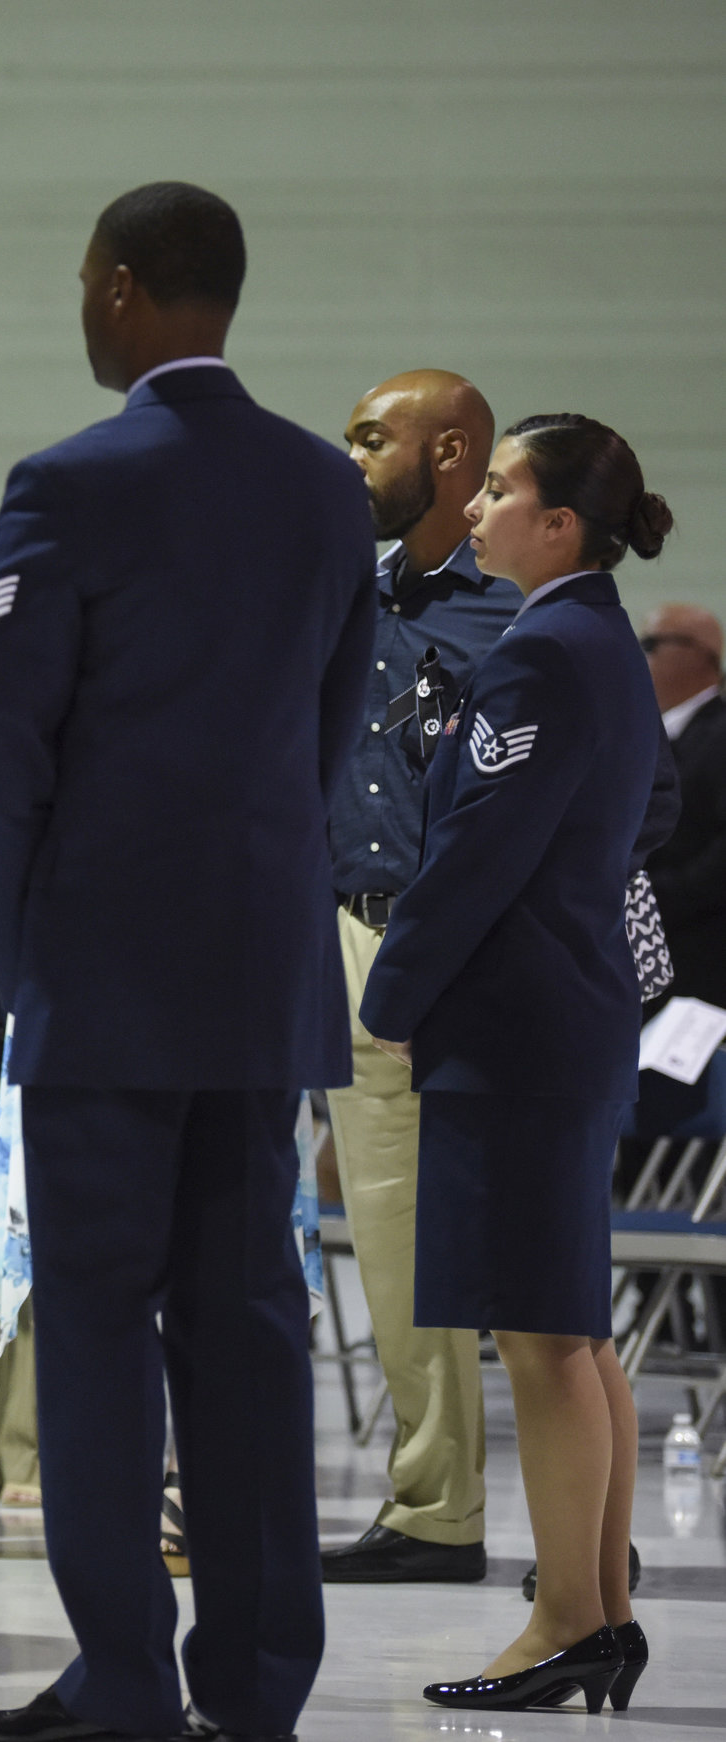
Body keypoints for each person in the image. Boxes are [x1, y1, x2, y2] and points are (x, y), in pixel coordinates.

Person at [0, 183, 374, 1742]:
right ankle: (257, 1686)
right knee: (248, 1327)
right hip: (260, 969)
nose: (84, 305)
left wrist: (25, 964)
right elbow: (329, 730)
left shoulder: (69, 484)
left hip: (104, 975)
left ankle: (125, 1677)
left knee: (98, 1331)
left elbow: (7, 753)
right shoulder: (327, 486)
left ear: (126, 289)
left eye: (87, 281)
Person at [361, 415, 676, 1715]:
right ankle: (598, 1612)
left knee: (543, 1339)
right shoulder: (598, 639)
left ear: (559, 525)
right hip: (564, 1015)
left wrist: (391, 994)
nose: (477, 506)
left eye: (500, 489)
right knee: (574, 1331)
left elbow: (476, 850)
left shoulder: (545, 650)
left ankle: (564, 1617)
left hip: (518, 1027)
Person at [319, 372, 518, 1585]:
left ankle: (577, 1523)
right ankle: (434, 1508)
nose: (348, 459)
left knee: (528, 1255)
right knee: (387, 1243)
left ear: (448, 453)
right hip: (347, 936)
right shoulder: (334, 601)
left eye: (369, 440)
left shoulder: (519, 616)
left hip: (485, 953)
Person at [637, 602, 726, 1134]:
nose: (639, 657)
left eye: (650, 645)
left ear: (701, 656)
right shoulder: (648, 738)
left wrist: (648, 897)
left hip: (699, 963)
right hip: (648, 959)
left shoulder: (720, 735)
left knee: (675, 1112)